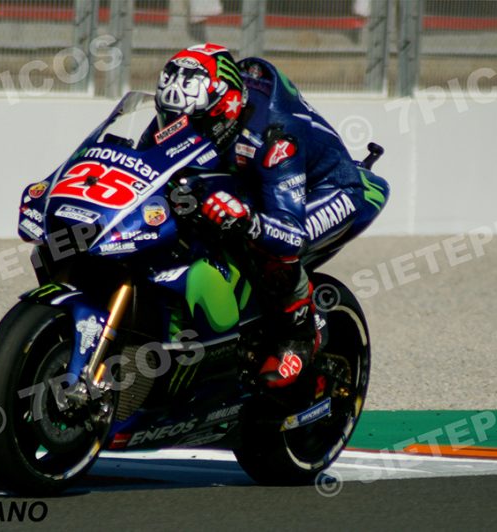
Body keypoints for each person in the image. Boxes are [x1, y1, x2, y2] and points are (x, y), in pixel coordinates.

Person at [149, 43, 389, 390]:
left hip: (328, 189)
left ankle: (299, 335)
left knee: (270, 245)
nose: (180, 131)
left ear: (224, 110)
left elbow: (289, 230)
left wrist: (248, 220)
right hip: (256, 182)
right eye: (171, 119)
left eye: (194, 124)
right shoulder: (187, 108)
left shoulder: (274, 135)